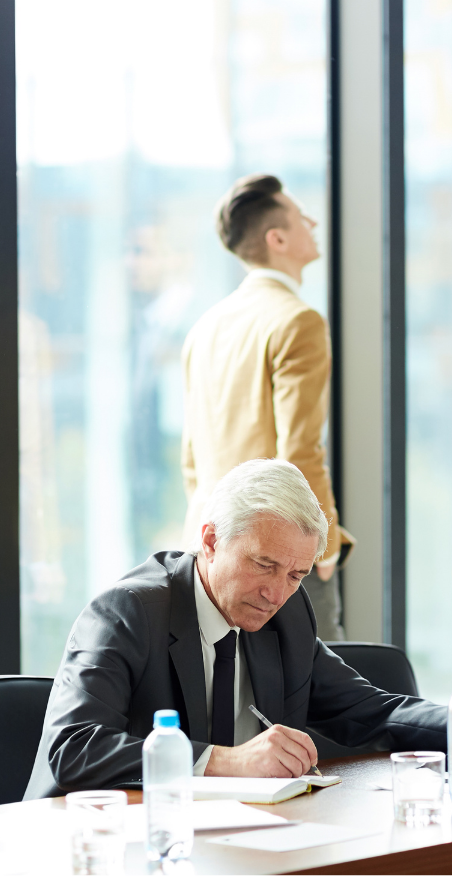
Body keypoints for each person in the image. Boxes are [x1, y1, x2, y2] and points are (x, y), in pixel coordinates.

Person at [25, 459, 452, 798]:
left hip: (230, 840)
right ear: (209, 541)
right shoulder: (128, 611)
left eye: (297, 574)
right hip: (100, 844)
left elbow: (370, 710)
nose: (277, 593)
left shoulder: (287, 614)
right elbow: (74, 748)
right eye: (263, 565)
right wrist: (228, 761)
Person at [181, 173, 354, 641]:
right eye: (301, 217)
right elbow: (299, 453)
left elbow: (192, 459)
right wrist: (325, 547)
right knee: (317, 700)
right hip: (276, 547)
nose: (313, 222)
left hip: (210, 549)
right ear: (277, 238)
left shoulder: (206, 326)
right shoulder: (297, 321)